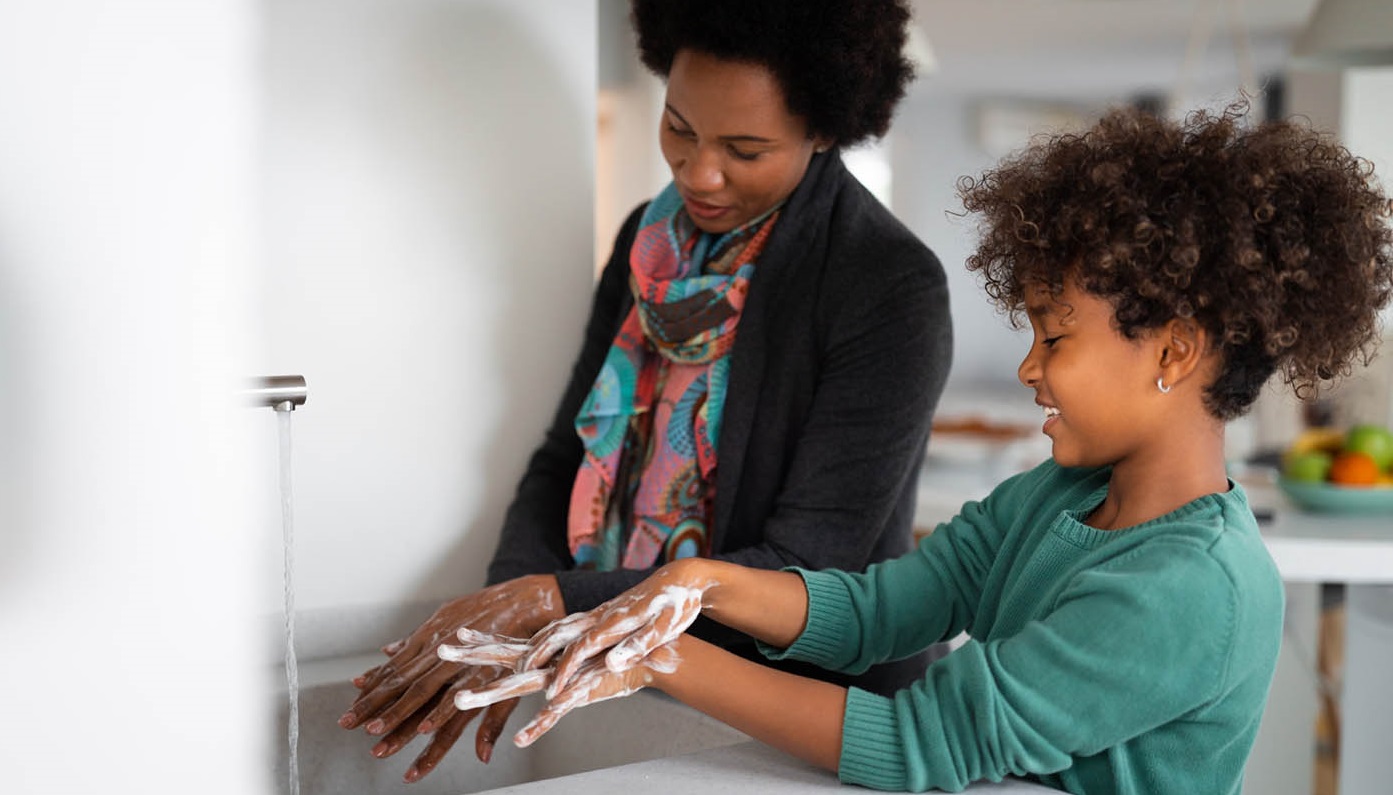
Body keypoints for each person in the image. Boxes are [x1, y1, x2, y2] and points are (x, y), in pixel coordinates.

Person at [443, 103, 1393, 793]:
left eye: (1053, 337)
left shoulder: (1192, 588)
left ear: (1175, 351)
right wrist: (699, 589)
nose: (1029, 369)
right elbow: (884, 606)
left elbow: (922, 741)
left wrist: (659, 654)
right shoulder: (1059, 498)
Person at [339, 0, 953, 782]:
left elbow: (804, 567)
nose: (699, 173)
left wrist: (553, 601)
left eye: (745, 148)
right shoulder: (646, 242)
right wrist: (510, 608)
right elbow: (564, 454)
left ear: (825, 129)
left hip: (805, 712)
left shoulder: (887, 285)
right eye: (680, 128)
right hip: (625, 670)